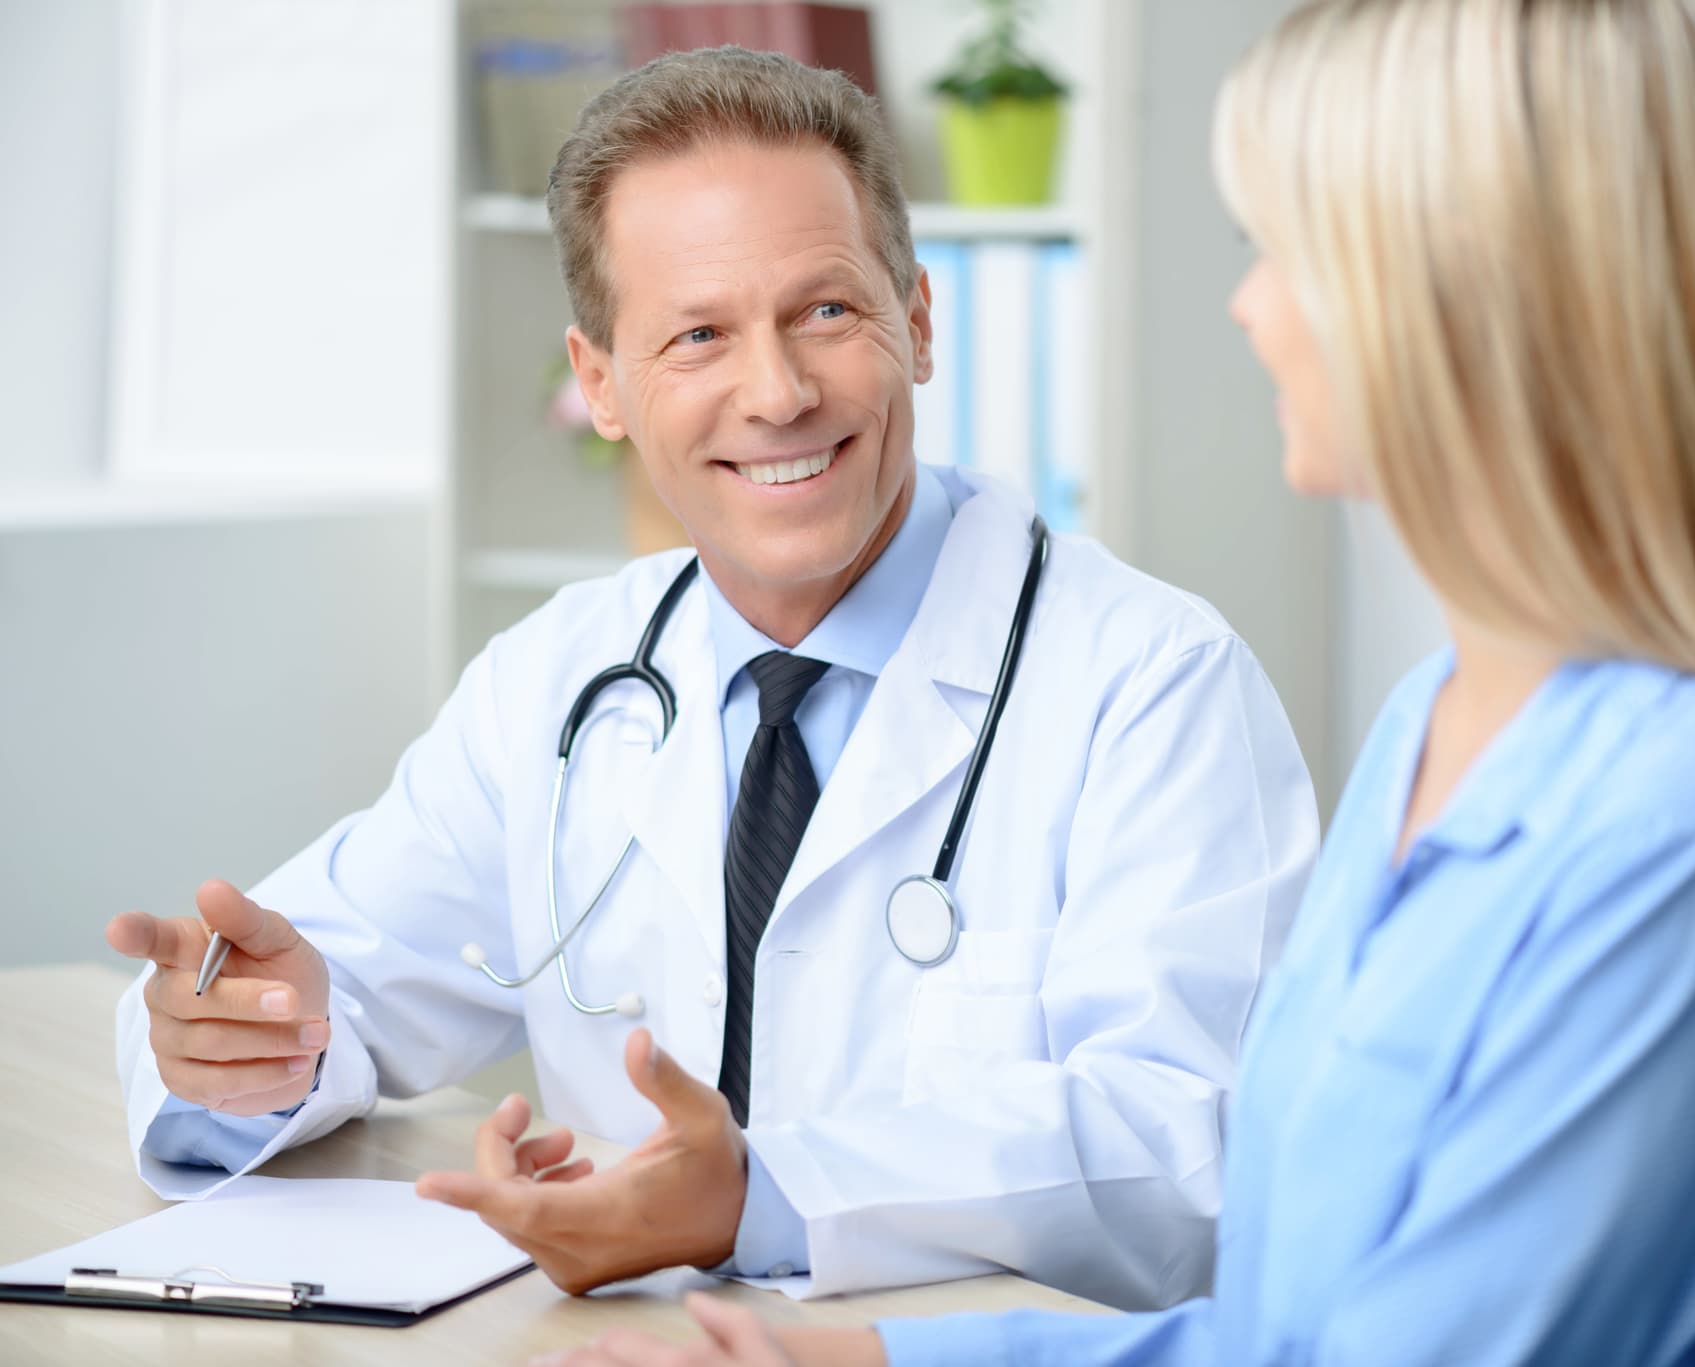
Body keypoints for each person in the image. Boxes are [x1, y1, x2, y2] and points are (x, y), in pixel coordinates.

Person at [542, 0, 1695, 1362]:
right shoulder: (1432, 729)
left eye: (1288, 247)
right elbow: (1287, 1328)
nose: (1250, 305)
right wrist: (861, 1359)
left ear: (1483, 296)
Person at [102, 47, 1320, 1309]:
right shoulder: (561, 682)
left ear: (915, 320)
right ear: (601, 385)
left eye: (826, 312)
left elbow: (1190, 1150)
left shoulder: (1151, 681)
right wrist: (248, 1042)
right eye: (697, 336)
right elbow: (323, 978)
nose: (778, 393)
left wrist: (762, 1196)